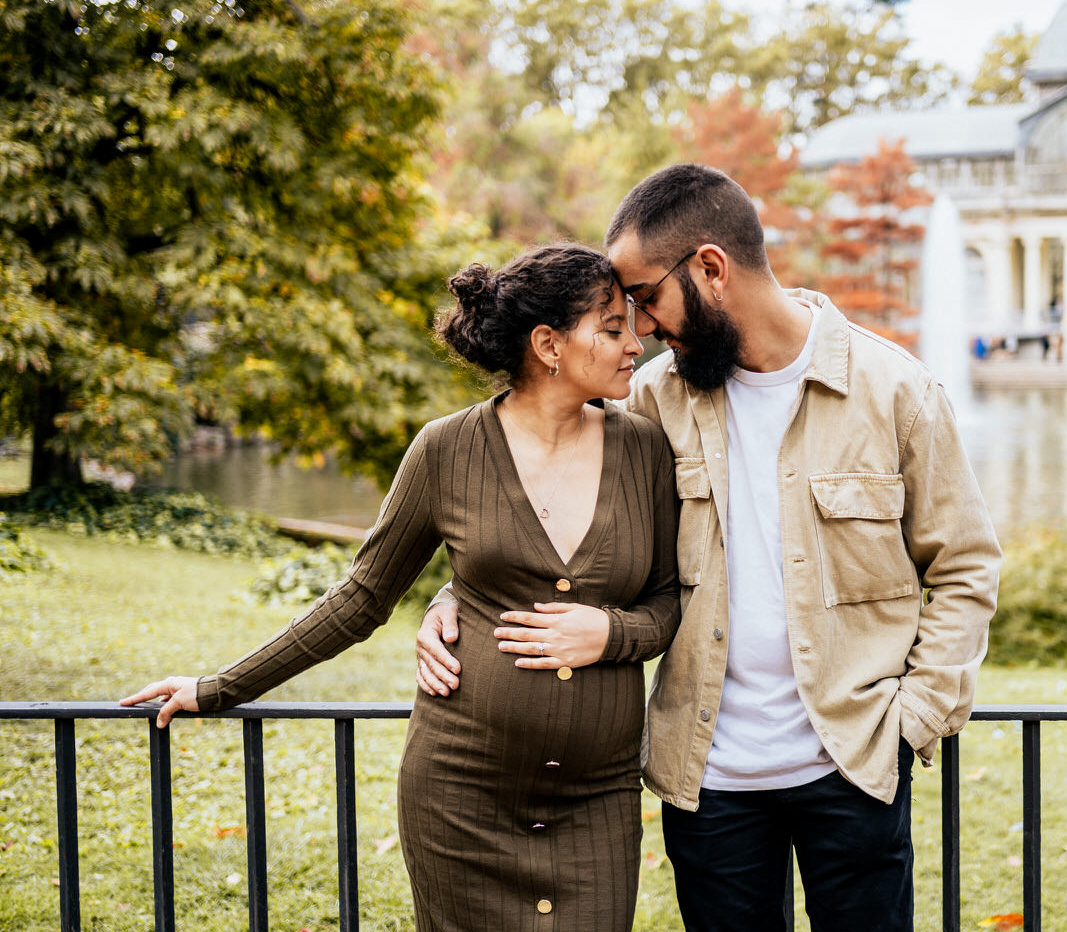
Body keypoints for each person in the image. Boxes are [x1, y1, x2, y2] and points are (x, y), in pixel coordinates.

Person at [417, 166, 1002, 932]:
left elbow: (963, 566)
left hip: (855, 768)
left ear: (712, 270)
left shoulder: (895, 391)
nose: (643, 328)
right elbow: (553, 519)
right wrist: (455, 596)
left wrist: (915, 718)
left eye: (646, 299)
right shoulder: (653, 404)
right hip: (712, 787)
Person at [122, 245, 681, 932]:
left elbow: (667, 603)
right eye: (613, 327)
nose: (636, 343)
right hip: (461, 800)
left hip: (597, 800)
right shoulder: (446, 451)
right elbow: (361, 598)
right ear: (548, 346)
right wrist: (219, 687)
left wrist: (612, 634)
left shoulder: (644, 450)